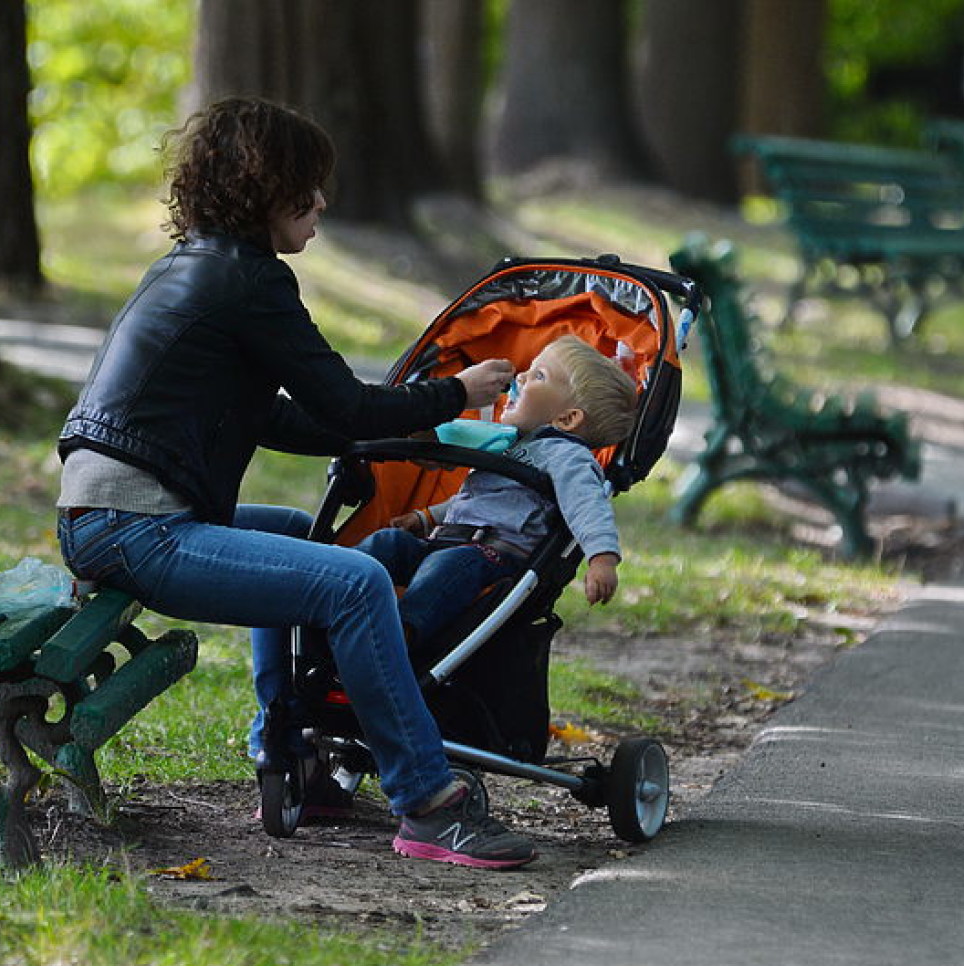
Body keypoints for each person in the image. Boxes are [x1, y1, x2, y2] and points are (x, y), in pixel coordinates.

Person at [55, 97, 537, 869]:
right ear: (264, 187)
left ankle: (294, 754)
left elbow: (282, 420)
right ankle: (429, 804)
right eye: (307, 187)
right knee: (355, 584)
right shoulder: (250, 282)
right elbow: (342, 402)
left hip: (108, 514)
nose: (322, 204)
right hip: (137, 526)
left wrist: (413, 430)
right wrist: (456, 392)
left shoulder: (193, 267)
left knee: (287, 531)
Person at [355, 335, 638, 651]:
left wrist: (602, 558)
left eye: (538, 375)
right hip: (446, 541)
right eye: (528, 369)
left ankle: (397, 636)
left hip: (493, 556)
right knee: (388, 543)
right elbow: (479, 499)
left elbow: (587, 505)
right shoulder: (509, 444)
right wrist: (426, 517)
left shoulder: (567, 457)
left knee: (451, 565)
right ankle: (330, 590)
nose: (520, 377)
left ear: (567, 418)